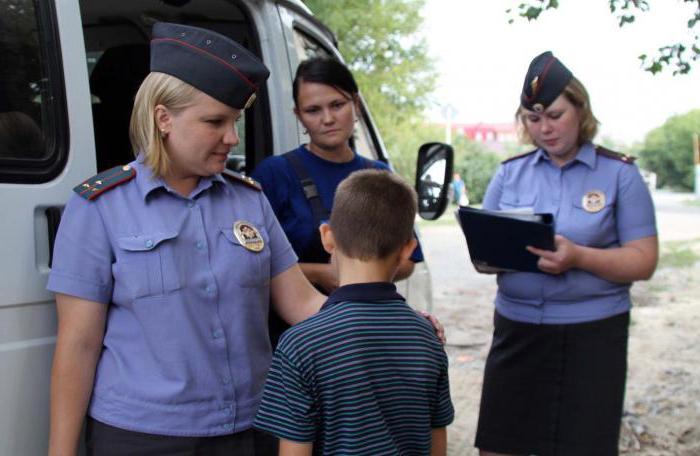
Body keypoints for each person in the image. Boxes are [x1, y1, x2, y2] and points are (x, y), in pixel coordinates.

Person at [47, 22, 325, 455]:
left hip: (250, 429)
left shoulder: (249, 201)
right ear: (163, 119)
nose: (231, 138)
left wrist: (384, 319)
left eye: (234, 122)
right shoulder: (99, 207)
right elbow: (78, 345)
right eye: (215, 122)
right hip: (142, 438)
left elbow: (303, 304)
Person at [474, 51, 658, 456]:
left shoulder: (619, 175)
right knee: (500, 446)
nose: (545, 128)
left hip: (592, 336)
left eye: (555, 115)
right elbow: (484, 251)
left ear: (580, 108)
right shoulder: (509, 173)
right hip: (517, 330)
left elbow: (644, 260)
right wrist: (489, 254)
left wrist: (579, 257)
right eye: (533, 119)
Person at [253, 169, 454, 456]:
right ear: (408, 249)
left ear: (327, 238)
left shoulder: (300, 344)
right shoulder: (427, 336)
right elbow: (438, 446)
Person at [251, 57, 425, 344]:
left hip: (365, 336)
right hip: (290, 338)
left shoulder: (379, 175)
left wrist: (357, 274)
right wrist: (318, 273)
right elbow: (248, 266)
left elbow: (408, 262)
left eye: (337, 105)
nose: (328, 119)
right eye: (313, 110)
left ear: (355, 104)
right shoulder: (274, 174)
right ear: (298, 115)